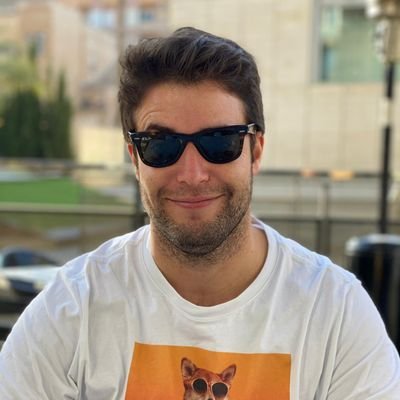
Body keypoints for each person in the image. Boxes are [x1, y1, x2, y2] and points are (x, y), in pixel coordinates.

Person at [0, 27, 399, 399]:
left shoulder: (336, 314)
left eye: (220, 141)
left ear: (255, 151)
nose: (192, 174)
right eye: (161, 145)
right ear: (135, 158)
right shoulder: (72, 309)